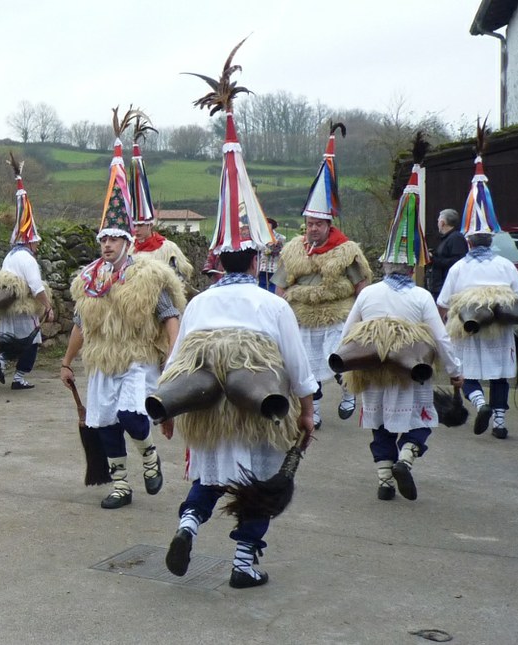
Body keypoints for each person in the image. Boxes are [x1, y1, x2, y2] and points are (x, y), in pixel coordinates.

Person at [161, 61, 316, 588]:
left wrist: (167, 412)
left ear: (216, 261)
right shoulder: (272, 305)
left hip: (207, 411)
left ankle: (188, 522)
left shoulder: (201, 303)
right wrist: (307, 412)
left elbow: (177, 360)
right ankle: (244, 564)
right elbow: (297, 367)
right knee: (257, 482)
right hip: (258, 413)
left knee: (209, 474)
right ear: (254, 259)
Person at [59, 124, 186, 510]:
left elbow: (169, 316)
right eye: (103, 239)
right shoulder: (89, 280)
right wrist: (66, 362)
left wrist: (175, 357)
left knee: (132, 416)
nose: (107, 244)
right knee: (104, 424)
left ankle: (149, 456)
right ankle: (120, 484)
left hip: (136, 359)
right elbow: (82, 324)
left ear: (128, 241)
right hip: (102, 360)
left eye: (114, 239)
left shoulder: (148, 276)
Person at [338, 151, 463, 500]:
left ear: (386, 263)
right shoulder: (422, 297)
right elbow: (440, 337)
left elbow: (349, 333)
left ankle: (383, 480)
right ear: (411, 267)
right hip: (411, 374)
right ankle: (406, 459)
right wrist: (455, 371)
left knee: (378, 425)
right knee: (421, 421)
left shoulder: (369, 294)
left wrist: (341, 366)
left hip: (374, 370)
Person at [437, 136, 518, 439]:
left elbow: (444, 303)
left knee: (465, 371)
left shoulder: (459, 267)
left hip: (467, 330)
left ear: (468, 240)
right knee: (500, 375)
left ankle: (478, 401)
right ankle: (499, 422)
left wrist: (442, 326)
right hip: (501, 330)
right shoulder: (506, 265)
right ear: (491, 239)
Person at [273, 124, 371, 429]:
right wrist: (281, 315)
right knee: (306, 368)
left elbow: (362, 285)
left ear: (329, 224)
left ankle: (347, 392)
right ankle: (312, 411)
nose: (313, 228)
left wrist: (362, 319)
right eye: (309, 223)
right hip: (303, 317)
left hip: (337, 315)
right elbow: (280, 286)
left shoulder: (347, 250)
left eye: (318, 223)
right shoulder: (292, 250)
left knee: (337, 359)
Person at [0, 155, 54, 390]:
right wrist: (48, 306)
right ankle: (19, 378)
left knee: (10, 341)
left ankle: (1, 359)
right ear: (32, 241)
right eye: (36, 241)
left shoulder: (10, 256)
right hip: (24, 309)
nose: (37, 245)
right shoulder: (27, 258)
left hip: (8, 306)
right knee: (31, 341)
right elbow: (36, 287)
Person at [128, 124, 195, 286]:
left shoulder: (167, 248)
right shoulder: (129, 249)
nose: (136, 230)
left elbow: (180, 277)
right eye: (134, 225)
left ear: (150, 225)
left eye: (140, 225)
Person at [426, 208, 468, 300]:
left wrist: (434, 259)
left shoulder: (456, 238)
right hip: (440, 287)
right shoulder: (447, 238)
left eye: (438, 221)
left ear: (442, 223)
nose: (437, 224)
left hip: (448, 288)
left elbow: (457, 262)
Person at [257, 217, 285, 292]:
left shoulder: (280, 237)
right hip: (263, 265)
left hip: (274, 265)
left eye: (268, 225)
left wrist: (272, 250)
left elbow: (280, 250)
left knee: (273, 284)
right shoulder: (261, 237)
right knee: (262, 283)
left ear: (272, 225)